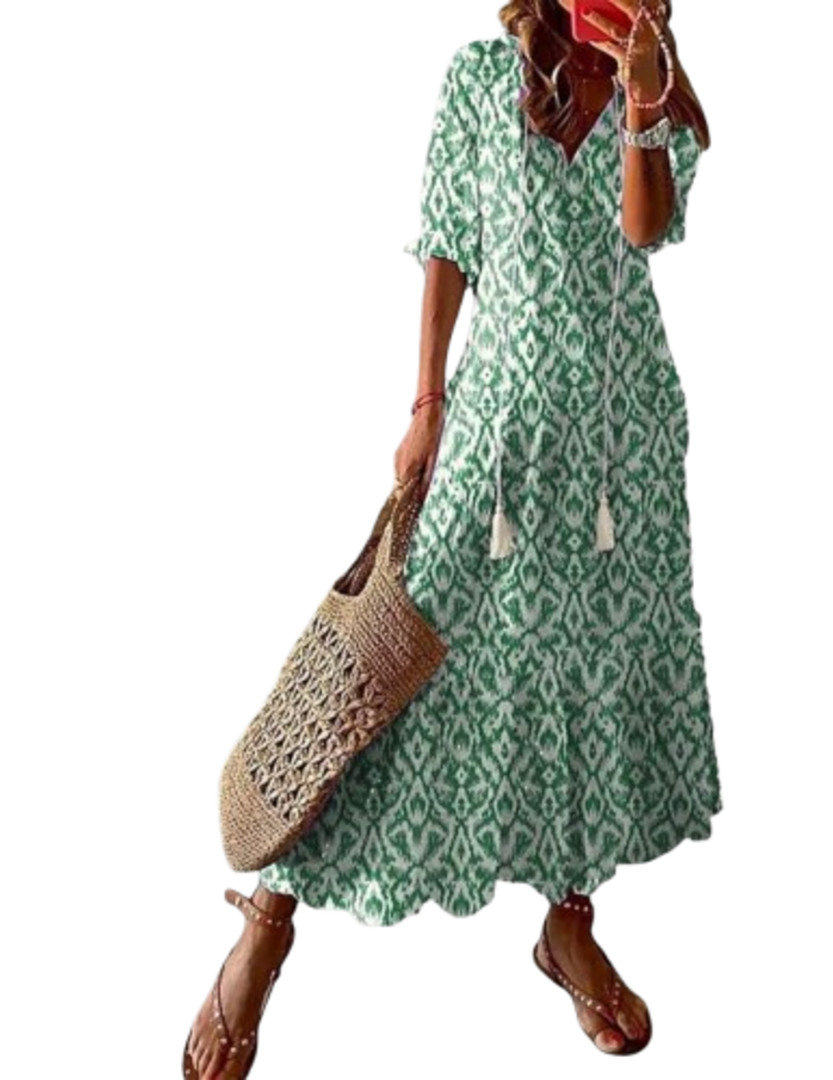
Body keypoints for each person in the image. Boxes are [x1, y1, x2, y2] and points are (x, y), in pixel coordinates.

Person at [182, 1, 724, 1073]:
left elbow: (645, 231)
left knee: (589, 667)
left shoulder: (659, 80)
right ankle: (269, 912)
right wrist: (426, 404)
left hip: (625, 443)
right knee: (398, 663)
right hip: (497, 429)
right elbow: (446, 247)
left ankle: (568, 922)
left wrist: (644, 99)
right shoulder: (477, 73)